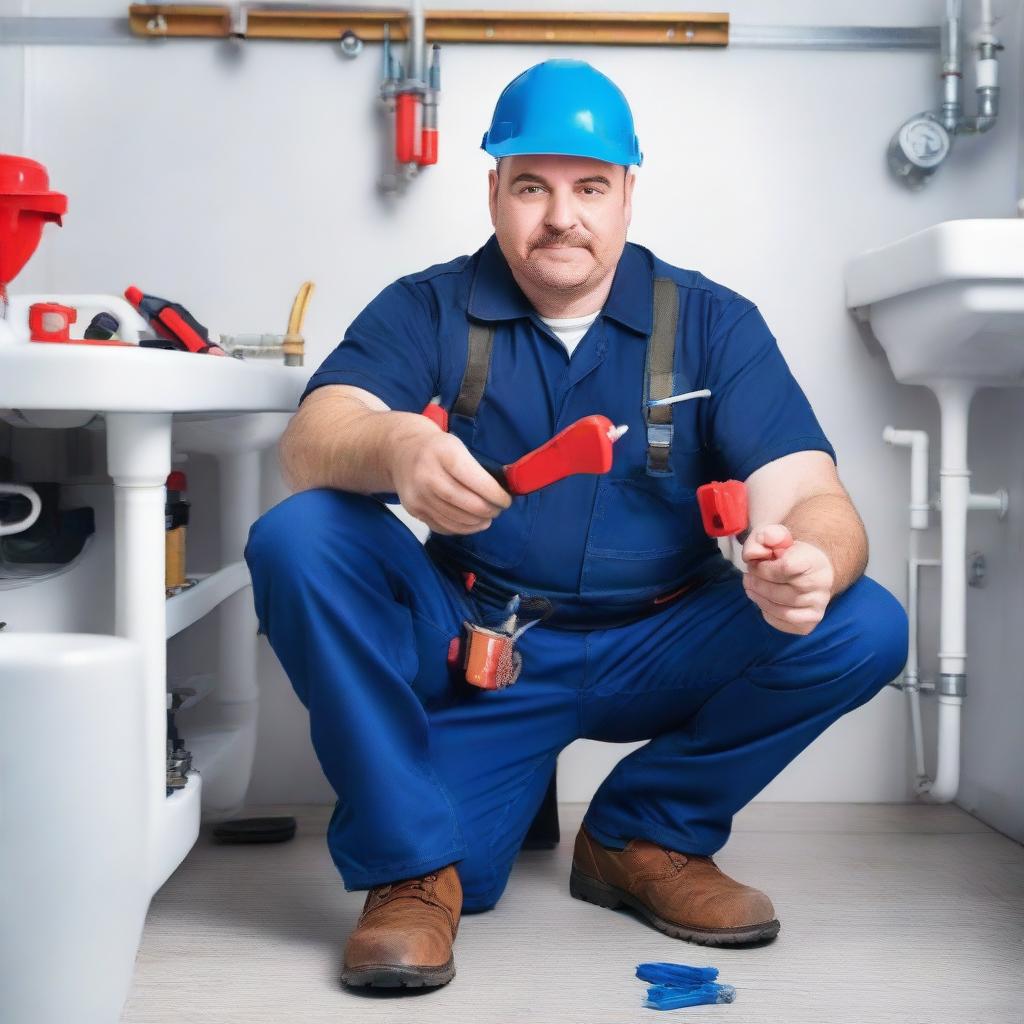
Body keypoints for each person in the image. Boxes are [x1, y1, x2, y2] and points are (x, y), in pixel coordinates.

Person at [244, 59, 908, 990]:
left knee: (863, 618)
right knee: (299, 534)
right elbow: (314, 437)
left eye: (590, 186)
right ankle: (412, 867)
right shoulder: (426, 306)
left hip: (666, 639)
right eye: (532, 187)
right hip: (483, 643)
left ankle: (643, 834)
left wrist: (809, 559)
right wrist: (395, 447)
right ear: (493, 193)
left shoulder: (714, 323)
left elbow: (812, 494)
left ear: (629, 195)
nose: (562, 216)